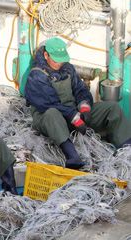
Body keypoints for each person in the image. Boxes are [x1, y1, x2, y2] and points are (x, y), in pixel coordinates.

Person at [25, 37, 131, 169]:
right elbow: (50, 104)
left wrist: (85, 107)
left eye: (62, 59)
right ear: (46, 55)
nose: (60, 63)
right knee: (52, 114)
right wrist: (74, 118)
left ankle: (128, 150)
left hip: (73, 115)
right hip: (48, 120)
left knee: (112, 108)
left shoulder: (68, 68)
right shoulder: (37, 75)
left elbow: (81, 90)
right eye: (56, 59)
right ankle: (72, 156)